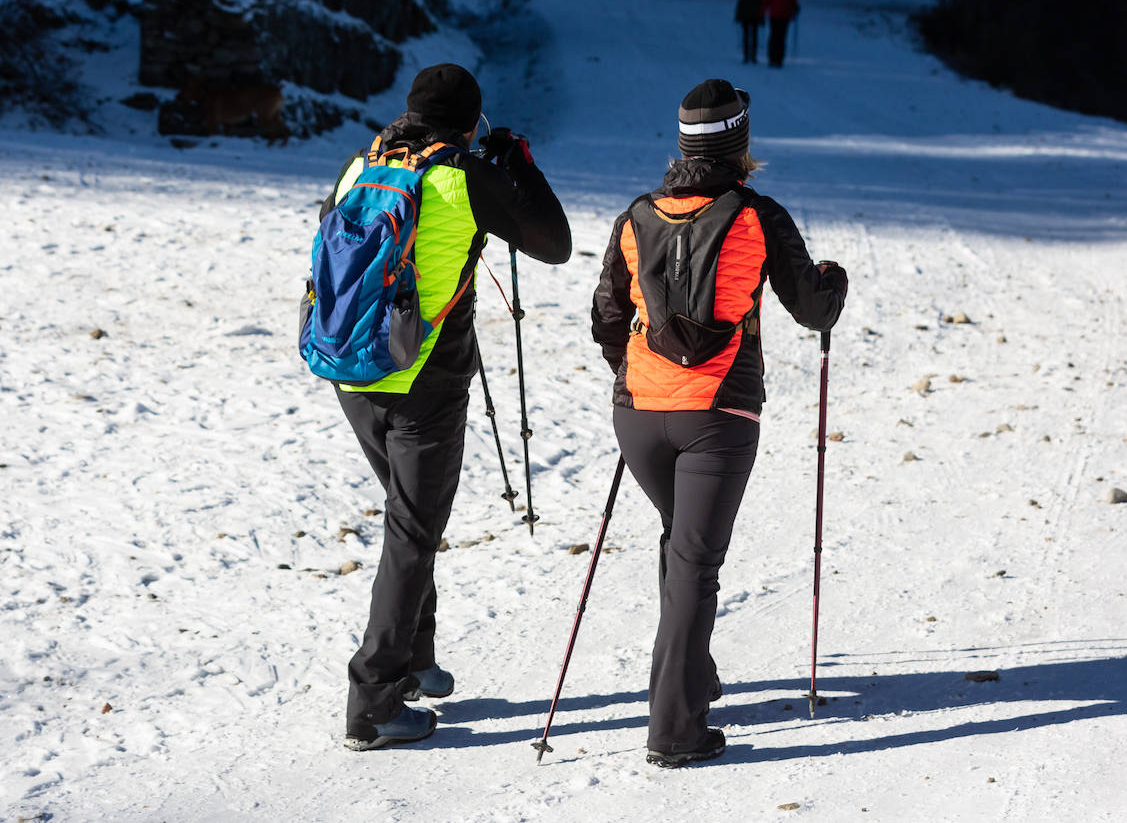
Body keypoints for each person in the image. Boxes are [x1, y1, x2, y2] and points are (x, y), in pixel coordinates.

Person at [590, 79, 847, 767]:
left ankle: (692, 677)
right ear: (740, 144)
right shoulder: (757, 216)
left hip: (639, 416)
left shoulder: (635, 216)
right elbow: (814, 308)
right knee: (695, 563)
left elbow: (607, 321)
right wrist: (835, 278)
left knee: (682, 547)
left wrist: (646, 370)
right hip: (718, 416)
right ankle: (675, 730)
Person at [326, 63, 572, 751]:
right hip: (424, 384)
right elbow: (555, 244)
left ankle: (413, 662)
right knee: (412, 531)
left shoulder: (361, 164)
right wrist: (517, 165)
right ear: (472, 122)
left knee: (413, 519)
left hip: (350, 370)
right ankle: (372, 705)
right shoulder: (462, 175)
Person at [763, 0, 800, 68]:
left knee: (782, 38)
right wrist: (762, 10)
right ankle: (772, 58)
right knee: (774, 37)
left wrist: (796, 7)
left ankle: (779, 59)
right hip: (774, 15)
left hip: (785, 16)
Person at [734, 0, 764, 64]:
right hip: (745, 16)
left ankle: (753, 56)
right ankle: (746, 56)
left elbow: (762, 5)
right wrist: (738, 16)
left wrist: (761, 17)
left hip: (755, 17)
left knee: (754, 37)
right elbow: (740, 4)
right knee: (746, 37)